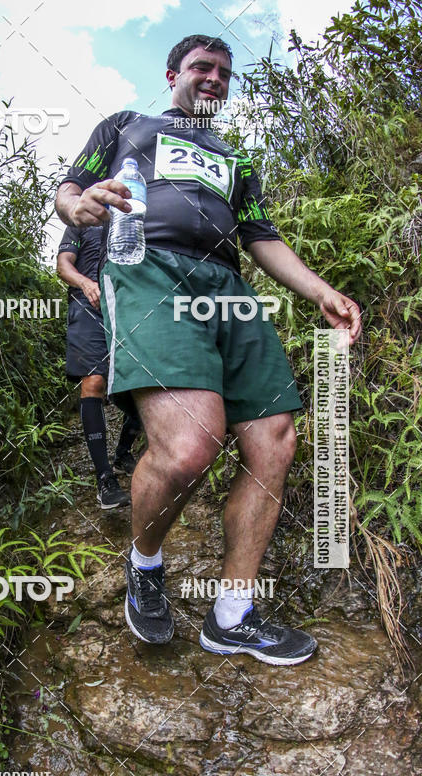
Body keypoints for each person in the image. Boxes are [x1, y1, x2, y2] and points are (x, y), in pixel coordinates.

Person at [54, 34, 361, 664]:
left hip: (228, 286)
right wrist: (79, 205)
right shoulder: (125, 125)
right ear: (173, 73)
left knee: (275, 438)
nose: (214, 78)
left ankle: (233, 614)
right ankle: (145, 563)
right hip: (147, 271)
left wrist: (321, 291)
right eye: (202, 67)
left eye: (224, 71)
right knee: (192, 445)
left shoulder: (235, 157)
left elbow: (261, 238)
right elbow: (67, 192)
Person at [57, 224, 142, 509]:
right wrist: (84, 283)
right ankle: (105, 480)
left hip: (126, 305)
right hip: (86, 305)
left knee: (144, 382)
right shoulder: (80, 222)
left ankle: (123, 452)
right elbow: (63, 265)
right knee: (93, 381)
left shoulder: (129, 218)